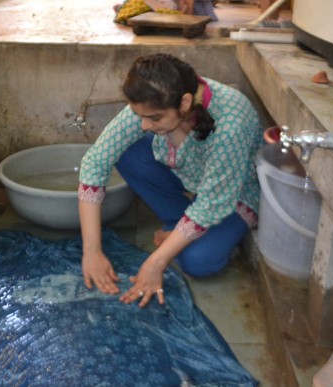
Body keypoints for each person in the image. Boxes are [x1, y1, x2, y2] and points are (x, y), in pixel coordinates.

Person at [77, 53, 264, 308]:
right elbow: (95, 161)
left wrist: (156, 263)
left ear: (185, 102)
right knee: (124, 150)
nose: (143, 125)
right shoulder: (157, 99)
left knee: (198, 262)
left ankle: (192, 231)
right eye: (139, 115)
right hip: (193, 180)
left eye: (154, 118)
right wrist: (92, 252)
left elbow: (211, 203)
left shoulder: (230, 123)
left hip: (232, 195)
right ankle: (179, 223)